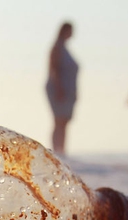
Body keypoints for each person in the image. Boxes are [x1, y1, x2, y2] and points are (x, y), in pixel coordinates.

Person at [46, 22, 79, 156]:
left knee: (64, 121)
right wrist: (59, 88)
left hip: (67, 90)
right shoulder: (57, 47)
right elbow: (54, 69)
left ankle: (62, 150)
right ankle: (57, 151)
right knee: (59, 120)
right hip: (59, 88)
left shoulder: (65, 48)